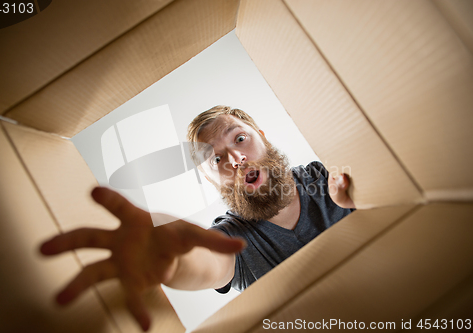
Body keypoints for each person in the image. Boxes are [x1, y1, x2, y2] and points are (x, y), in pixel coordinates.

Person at [40, 106, 355, 331]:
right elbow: (208, 264)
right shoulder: (229, 240)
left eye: (240, 139)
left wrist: (358, 202)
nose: (235, 159)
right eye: (216, 159)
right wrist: (172, 259)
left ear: (263, 137)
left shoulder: (328, 173)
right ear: (212, 181)